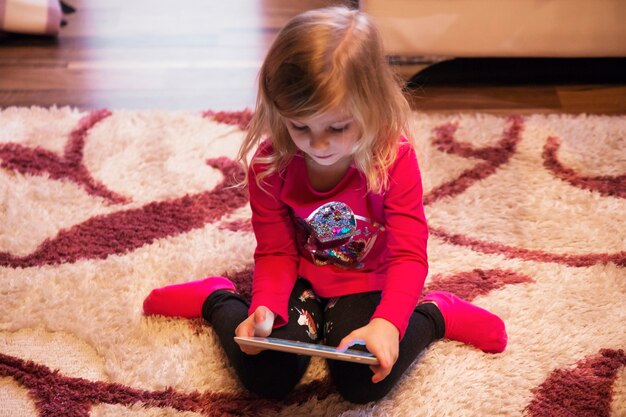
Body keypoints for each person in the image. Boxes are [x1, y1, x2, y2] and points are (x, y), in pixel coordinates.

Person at [143, 6, 507, 404]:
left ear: (373, 107)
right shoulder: (270, 164)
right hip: (298, 276)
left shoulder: (394, 159)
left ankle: (437, 315)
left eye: (337, 127)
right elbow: (276, 250)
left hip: (368, 277)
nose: (318, 145)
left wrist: (388, 322)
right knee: (265, 374)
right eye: (300, 126)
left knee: (364, 382)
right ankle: (217, 299)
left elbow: (408, 255)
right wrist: (263, 308)